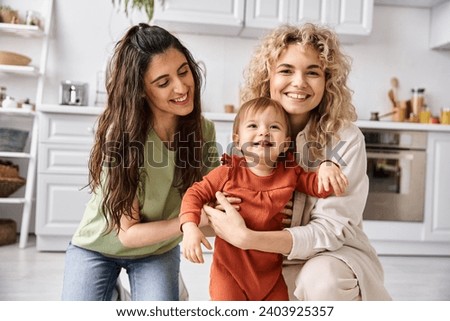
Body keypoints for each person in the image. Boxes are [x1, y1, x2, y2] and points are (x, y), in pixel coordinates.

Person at [203, 23, 392, 301]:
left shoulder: (345, 139)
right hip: (259, 261)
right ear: (268, 76)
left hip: (330, 255)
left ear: (328, 81)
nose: (299, 82)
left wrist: (248, 238)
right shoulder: (249, 132)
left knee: (322, 279)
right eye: (286, 70)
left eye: (312, 72)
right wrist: (217, 212)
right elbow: (215, 206)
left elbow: (329, 232)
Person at [61, 23, 219, 301]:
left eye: (183, 72)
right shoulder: (122, 137)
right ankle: (117, 295)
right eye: (163, 82)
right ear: (142, 90)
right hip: (98, 246)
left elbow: (211, 211)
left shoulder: (203, 131)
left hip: (156, 250)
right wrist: (189, 221)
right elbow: (128, 235)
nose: (182, 87)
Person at [180, 96, 349, 301]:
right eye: (253, 125)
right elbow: (194, 194)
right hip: (230, 274)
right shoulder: (228, 172)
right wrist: (189, 227)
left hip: (270, 275)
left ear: (286, 143)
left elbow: (319, 188)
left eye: (274, 127)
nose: (263, 131)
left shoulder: (290, 173)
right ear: (237, 140)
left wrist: (328, 166)